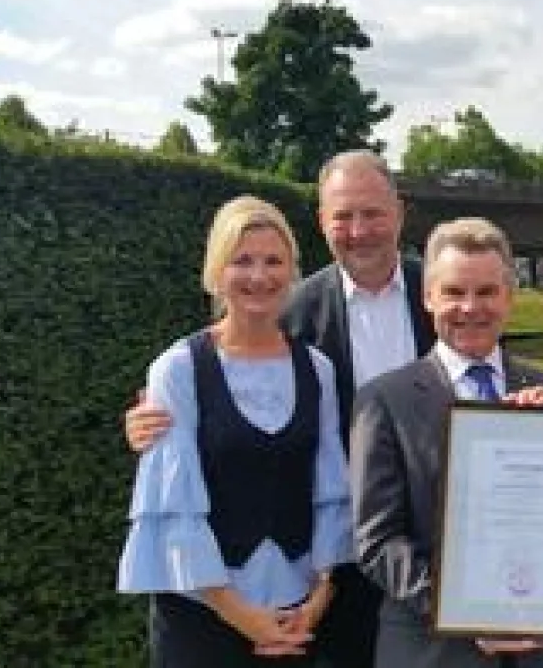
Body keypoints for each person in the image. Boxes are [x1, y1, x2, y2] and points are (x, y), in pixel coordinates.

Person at [124, 151, 437, 667]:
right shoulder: (292, 312)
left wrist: (526, 409)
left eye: (373, 213)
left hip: (408, 553)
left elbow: (478, 381)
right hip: (263, 607)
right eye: (343, 216)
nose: (359, 230)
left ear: (399, 212)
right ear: (323, 222)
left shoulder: (445, 296)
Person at [117, 196, 351, 667]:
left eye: (273, 261)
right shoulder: (177, 369)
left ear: (292, 271)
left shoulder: (318, 369)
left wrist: (318, 599)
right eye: (242, 261)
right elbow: (176, 507)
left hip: (295, 616)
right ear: (216, 272)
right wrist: (241, 617)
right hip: (202, 616)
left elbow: (330, 490)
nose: (259, 276)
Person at [350, 217, 543, 668]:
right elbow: (377, 542)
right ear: (428, 297)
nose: (470, 307)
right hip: (429, 649)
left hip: (538, 651)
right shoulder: (384, 401)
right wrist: (465, 611)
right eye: (453, 292)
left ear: (509, 297)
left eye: (487, 292)